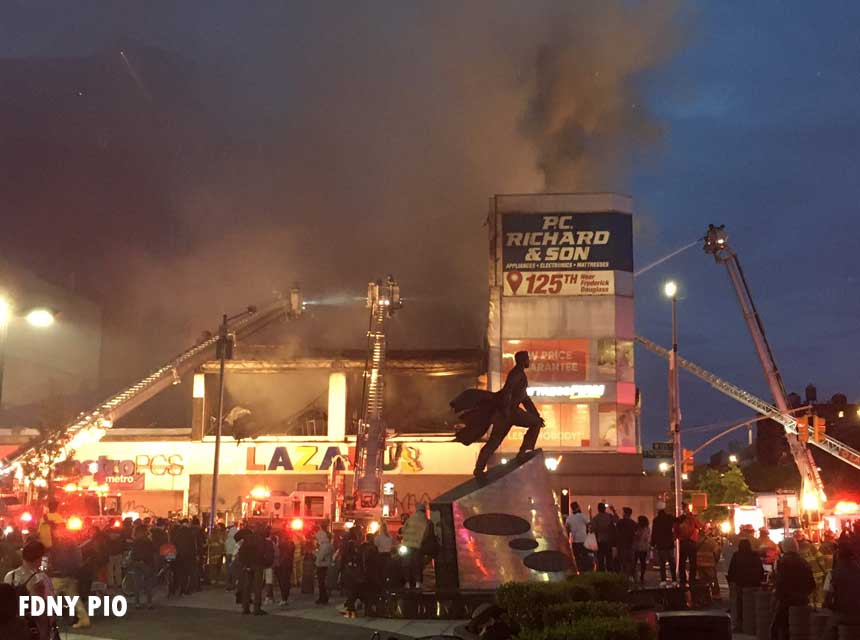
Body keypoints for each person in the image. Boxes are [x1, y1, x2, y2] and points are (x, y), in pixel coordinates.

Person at [453, 351, 545, 479]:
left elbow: (525, 398)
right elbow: (507, 391)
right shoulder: (516, 374)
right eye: (527, 359)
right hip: (508, 412)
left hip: (510, 412)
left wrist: (536, 415)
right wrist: (506, 410)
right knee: (495, 442)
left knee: (533, 423)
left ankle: (522, 452)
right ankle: (522, 452)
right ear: (523, 360)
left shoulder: (520, 375)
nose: (529, 361)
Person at [4, 540, 54, 640]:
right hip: (34, 628)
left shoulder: (10, 576)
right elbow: (47, 607)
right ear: (39, 558)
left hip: (13, 626)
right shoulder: (41, 579)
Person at [770, 537, 815, 640]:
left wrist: (778, 596)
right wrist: (803, 594)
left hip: (786, 601)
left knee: (777, 628)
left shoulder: (782, 562)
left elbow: (780, 583)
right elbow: (812, 584)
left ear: (784, 548)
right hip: (802, 601)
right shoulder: (804, 562)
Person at [47, 532, 91, 628]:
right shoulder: (73, 544)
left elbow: (58, 560)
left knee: (48, 596)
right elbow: (78, 560)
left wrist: (54, 569)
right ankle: (84, 619)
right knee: (74, 598)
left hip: (60, 575)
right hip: (71, 575)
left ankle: (44, 620)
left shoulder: (60, 545)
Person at [823, 542, 860, 639]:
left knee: (828, 633)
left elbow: (827, 600)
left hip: (843, 614)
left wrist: (832, 607)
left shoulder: (832, 574)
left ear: (838, 557)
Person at [727, 538, 765, 632]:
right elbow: (761, 569)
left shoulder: (737, 555)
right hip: (754, 584)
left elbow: (732, 570)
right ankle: (753, 624)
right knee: (753, 605)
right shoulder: (755, 555)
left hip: (741, 584)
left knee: (740, 605)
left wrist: (732, 580)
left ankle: (741, 625)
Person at [235, 525, 266, 615]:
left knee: (247, 586)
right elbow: (261, 552)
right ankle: (256, 608)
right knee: (257, 587)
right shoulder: (261, 539)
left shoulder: (247, 539)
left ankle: (245, 607)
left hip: (248, 565)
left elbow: (242, 552)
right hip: (258, 565)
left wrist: (245, 564)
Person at [400, 506, 430, 588]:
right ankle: (418, 583)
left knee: (407, 564)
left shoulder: (411, 518)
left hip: (407, 545)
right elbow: (426, 534)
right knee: (417, 564)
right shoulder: (425, 520)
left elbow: (403, 530)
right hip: (417, 546)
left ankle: (407, 582)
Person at [129, 524, 156, 609]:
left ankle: (137, 603)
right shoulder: (148, 541)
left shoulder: (135, 541)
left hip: (136, 563)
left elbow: (133, 554)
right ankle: (149, 602)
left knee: (137, 584)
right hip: (146, 563)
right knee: (148, 583)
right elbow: (151, 553)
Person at [674, 506, 701, 587]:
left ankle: (683, 578)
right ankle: (692, 578)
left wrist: (677, 537)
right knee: (693, 562)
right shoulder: (692, 519)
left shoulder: (679, 519)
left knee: (682, 561)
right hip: (692, 542)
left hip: (683, 542)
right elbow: (700, 526)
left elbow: (675, 529)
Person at [651, 502, 676, 583]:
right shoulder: (670, 518)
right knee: (672, 562)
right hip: (669, 543)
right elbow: (677, 521)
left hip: (660, 544)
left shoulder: (656, 520)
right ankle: (674, 579)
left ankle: (663, 580)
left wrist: (652, 543)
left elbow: (654, 533)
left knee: (662, 563)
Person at [565, 501, 591, 573]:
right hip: (583, 539)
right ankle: (585, 571)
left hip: (574, 540)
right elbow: (589, 524)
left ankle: (579, 570)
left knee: (577, 557)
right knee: (585, 556)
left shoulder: (569, 518)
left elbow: (567, 529)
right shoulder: (582, 516)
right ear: (578, 507)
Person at [696, 526, 721, 596]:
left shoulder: (696, 541)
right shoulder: (711, 541)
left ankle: (704, 595)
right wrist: (715, 560)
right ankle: (715, 593)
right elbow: (717, 551)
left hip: (699, 563)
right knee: (713, 579)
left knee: (702, 580)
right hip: (709, 563)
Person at [591, 503, 615, 572]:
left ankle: (601, 573)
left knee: (600, 558)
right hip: (608, 540)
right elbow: (616, 520)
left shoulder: (596, 518)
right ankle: (610, 572)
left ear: (598, 509)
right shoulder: (609, 516)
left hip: (600, 540)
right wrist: (613, 511)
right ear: (604, 508)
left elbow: (593, 529)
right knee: (609, 558)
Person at [314, 525, 333, 605]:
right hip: (325, 565)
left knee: (321, 584)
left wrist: (315, 552)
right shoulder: (327, 545)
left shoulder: (325, 546)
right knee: (322, 584)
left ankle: (323, 598)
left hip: (322, 566)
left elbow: (320, 557)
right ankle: (323, 598)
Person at [615, 507, 637, 579]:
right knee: (631, 562)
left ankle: (624, 577)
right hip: (631, 545)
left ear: (625, 513)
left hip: (622, 545)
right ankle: (632, 576)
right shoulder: (633, 523)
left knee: (623, 561)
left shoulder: (621, 522)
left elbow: (617, 530)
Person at [275, 531, 295, 606]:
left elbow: (280, 554)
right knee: (286, 582)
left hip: (282, 565)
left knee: (282, 583)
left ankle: (284, 598)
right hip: (288, 565)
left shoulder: (282, 545)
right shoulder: (291, 544)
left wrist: (279, 563)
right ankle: (285, 598)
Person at [633, 515, 651, 585]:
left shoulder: (638, 529)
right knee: (643, 562)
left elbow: (637, 537)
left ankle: (635, 576)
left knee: (635, 562)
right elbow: (647, 538)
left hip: (637, 547)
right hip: (644, 548)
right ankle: (641, 576)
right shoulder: (647, 529)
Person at [224, 522, 239, 591]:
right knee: (234, 570)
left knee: (228, 570)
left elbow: (226, 544)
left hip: (229, 553)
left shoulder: (228, 534)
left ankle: (228, 585)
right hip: (235, 554)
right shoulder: (237, 533)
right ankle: (233, 584)